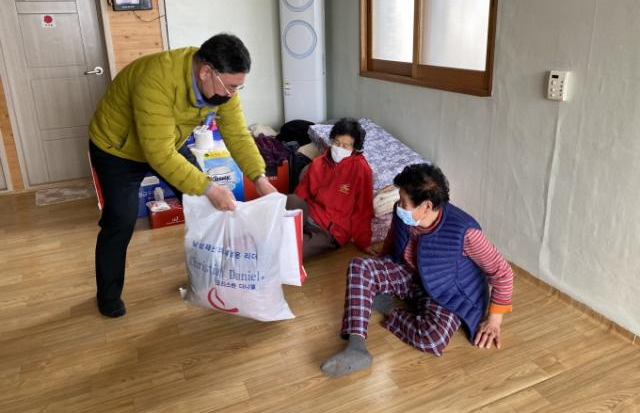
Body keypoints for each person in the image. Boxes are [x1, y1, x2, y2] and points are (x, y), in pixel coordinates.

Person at [89, 33, 277, 318]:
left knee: (207, 206)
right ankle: (108, 294)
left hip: (167, 143)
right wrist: (210, 187)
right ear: (205, 72)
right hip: (117, 148)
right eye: (231, 86)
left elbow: (238, 134)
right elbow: (159, 154)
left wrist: (259, 178)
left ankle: (212, 277)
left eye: (239, 87)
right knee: (121, 221)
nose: (233, 94)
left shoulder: (223, 90)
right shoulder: (157, 79)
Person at [320, 163, 514, 377]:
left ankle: (388, 307)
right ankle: (356, 347)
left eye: (404, 202)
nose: (399, 205)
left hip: (446, 293)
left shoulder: (465, 231)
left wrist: (494, 320)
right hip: (410, 274)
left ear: (427, 206)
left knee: (433, 339)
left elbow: (503, 273)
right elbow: (393, 239)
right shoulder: (404, 213)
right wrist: (379, 274)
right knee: (360, 266)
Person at [286, 118, 374, 258]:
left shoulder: (361, 170)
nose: (339, 148)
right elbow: (301, 192)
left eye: (346, 146)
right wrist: (292, 212)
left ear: (355, 149)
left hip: (331, 230)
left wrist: (364, 241)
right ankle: (283, 232)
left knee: (293, 250)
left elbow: (363, 209)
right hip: (310, 212)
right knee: (289, 200)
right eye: (337, 143)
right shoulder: (319, 162)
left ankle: (291, 238)